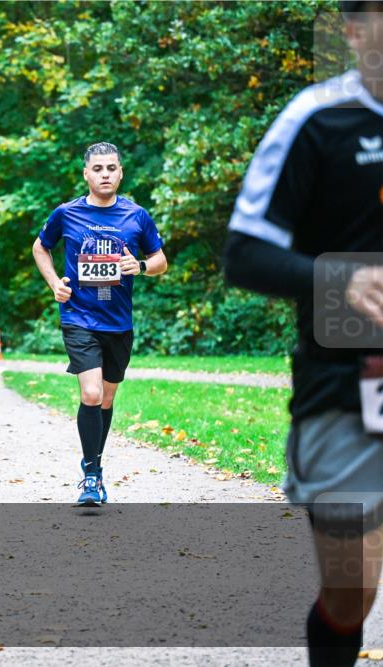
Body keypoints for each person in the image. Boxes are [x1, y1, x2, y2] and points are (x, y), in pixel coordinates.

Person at [223, 3, 382, 664]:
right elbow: (244, 254)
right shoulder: (316, 119)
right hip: (347, 390)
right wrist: (338, 281)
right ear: (353, 28)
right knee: (353, 591)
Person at [32, 142, 168, 507]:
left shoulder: (137, 216)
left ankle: (96, 464)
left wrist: (138, 266)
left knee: (106, 398)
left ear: (121, 172)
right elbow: (40, 247)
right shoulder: (67, 213)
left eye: (111, 168)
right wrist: (54, 283)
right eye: (98, 169)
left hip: (118, 322)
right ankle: (90, 476)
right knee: (90, 394)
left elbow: (160, 261)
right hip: (79, 316)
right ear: (86, 174)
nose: (105, 174)